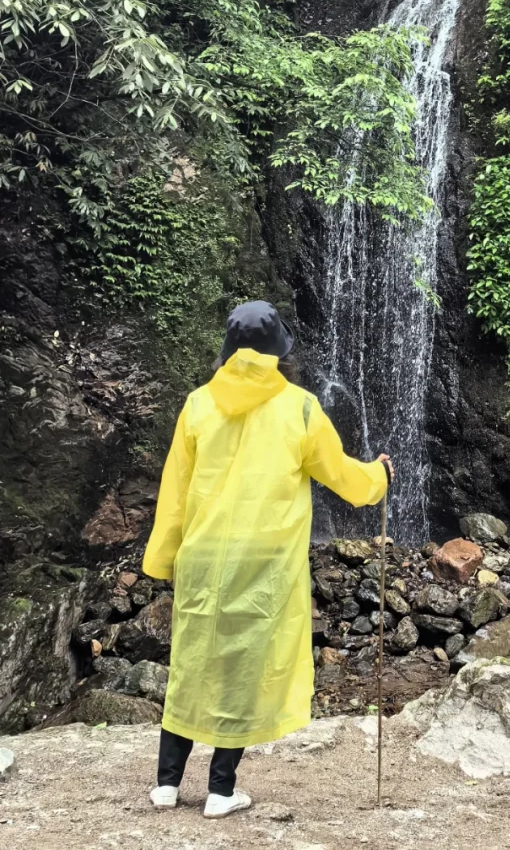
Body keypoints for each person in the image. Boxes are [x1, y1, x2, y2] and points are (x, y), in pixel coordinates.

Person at [141, 300, 393, 818]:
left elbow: (176, 492)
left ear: (228, 351)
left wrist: (164, 560)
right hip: (263, 558)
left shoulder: (197, 404)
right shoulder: (299, 406)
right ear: (280, 352)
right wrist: (380, 476)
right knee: (242, 667)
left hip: (203, 553)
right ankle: (220, 790)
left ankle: (166, 785)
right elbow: (342, 475)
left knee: (191, 663)